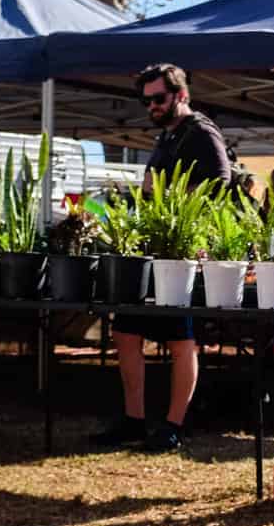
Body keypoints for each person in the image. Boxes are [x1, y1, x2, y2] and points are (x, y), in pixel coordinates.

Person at [91, 64, 232, 453]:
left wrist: (180, 208)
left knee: (180, 339)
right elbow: (151, 188)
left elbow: (221, 181)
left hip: (183, 249)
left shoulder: (201, 132)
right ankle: (135, 419)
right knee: (126, 331)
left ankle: (173, 425)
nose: (151, 105)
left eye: (159, 98)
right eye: (147, 100)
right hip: (153, 248)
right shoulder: (165, 137)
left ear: (181, 96)